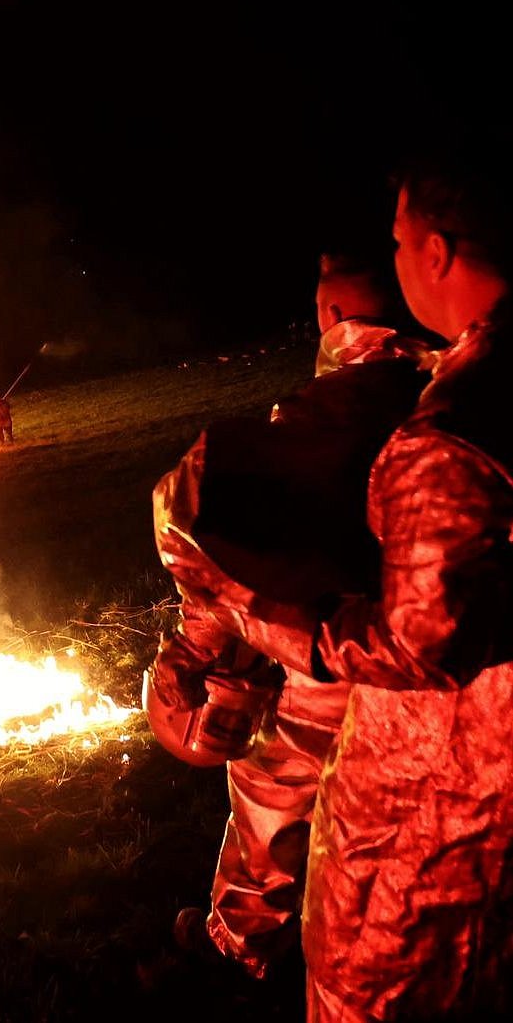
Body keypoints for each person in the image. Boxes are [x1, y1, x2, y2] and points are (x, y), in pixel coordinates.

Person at [170, 147, 513, 1020]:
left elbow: (421, 645)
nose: (400, 261)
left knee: (385, 982)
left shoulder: (450, 434)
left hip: (445, 810)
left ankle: (237, 944)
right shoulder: (462, 382)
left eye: (401, 240)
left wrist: (264, 613)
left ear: (434, 253)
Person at [149, 244, 436, 980]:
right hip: (441, 648)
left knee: (271, 789)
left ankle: (240, 942)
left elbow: (224, 541)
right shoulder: (453, 388)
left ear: (333, 315)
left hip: (341, 648)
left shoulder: (327, 408)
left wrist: (197, 646)